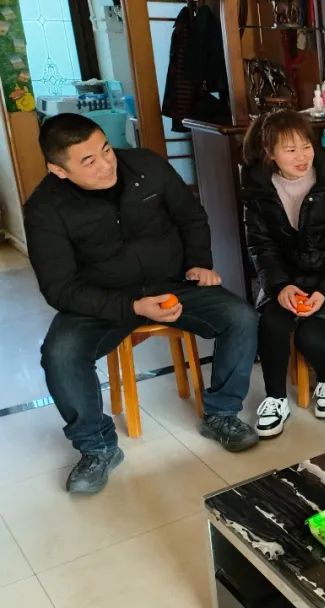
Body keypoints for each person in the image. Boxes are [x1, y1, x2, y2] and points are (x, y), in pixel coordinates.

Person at [24, 113, 260, 494]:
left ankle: (222, 414)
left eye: (105, 149)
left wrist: (199, 263)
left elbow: (191, 216)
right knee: (60, 354)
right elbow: (60, 289)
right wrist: (133, 307)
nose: (106, 164)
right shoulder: (44, 209)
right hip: (102, 299)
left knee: (242, 317)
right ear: (59, 171)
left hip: (172, 284)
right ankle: (97, 447)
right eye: (89, 161)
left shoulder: (146, 166)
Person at [241, 111, 325, 437]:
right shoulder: (258, 189)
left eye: (306, 146)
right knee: (271, 324)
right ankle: (275, 398)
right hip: (286, 278)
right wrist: (280, 286)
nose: (302, 156)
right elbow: (260, 246)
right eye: (290, 149)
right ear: (270, 153)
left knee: (311, 335)